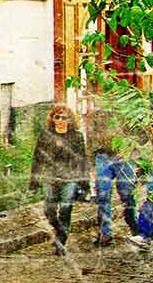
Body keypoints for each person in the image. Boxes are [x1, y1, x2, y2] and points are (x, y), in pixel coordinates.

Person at [30, 104, 91, 256]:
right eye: (57, 117)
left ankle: (61, 241)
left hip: (69, 178)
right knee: (49, 210)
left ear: (70, 119)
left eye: (64, 117)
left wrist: (85, 184)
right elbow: (37, 158)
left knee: (65, 208)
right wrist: (34, 180)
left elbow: (82, 160)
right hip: (50, 177)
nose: (61, 120)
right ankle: (59, 230)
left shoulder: (76, 136)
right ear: (53, 118)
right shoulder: (45, 135)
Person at [85, 107, 141, 247]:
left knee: (127, 195)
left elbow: (136, 135)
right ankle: (105, 232)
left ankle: (134, 224)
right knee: (103, 195)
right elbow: (90, 137)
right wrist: (91, 160)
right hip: (103, 157)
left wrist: (132, 153)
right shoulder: (95, 114)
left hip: (124, 157)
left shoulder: (126, 110)